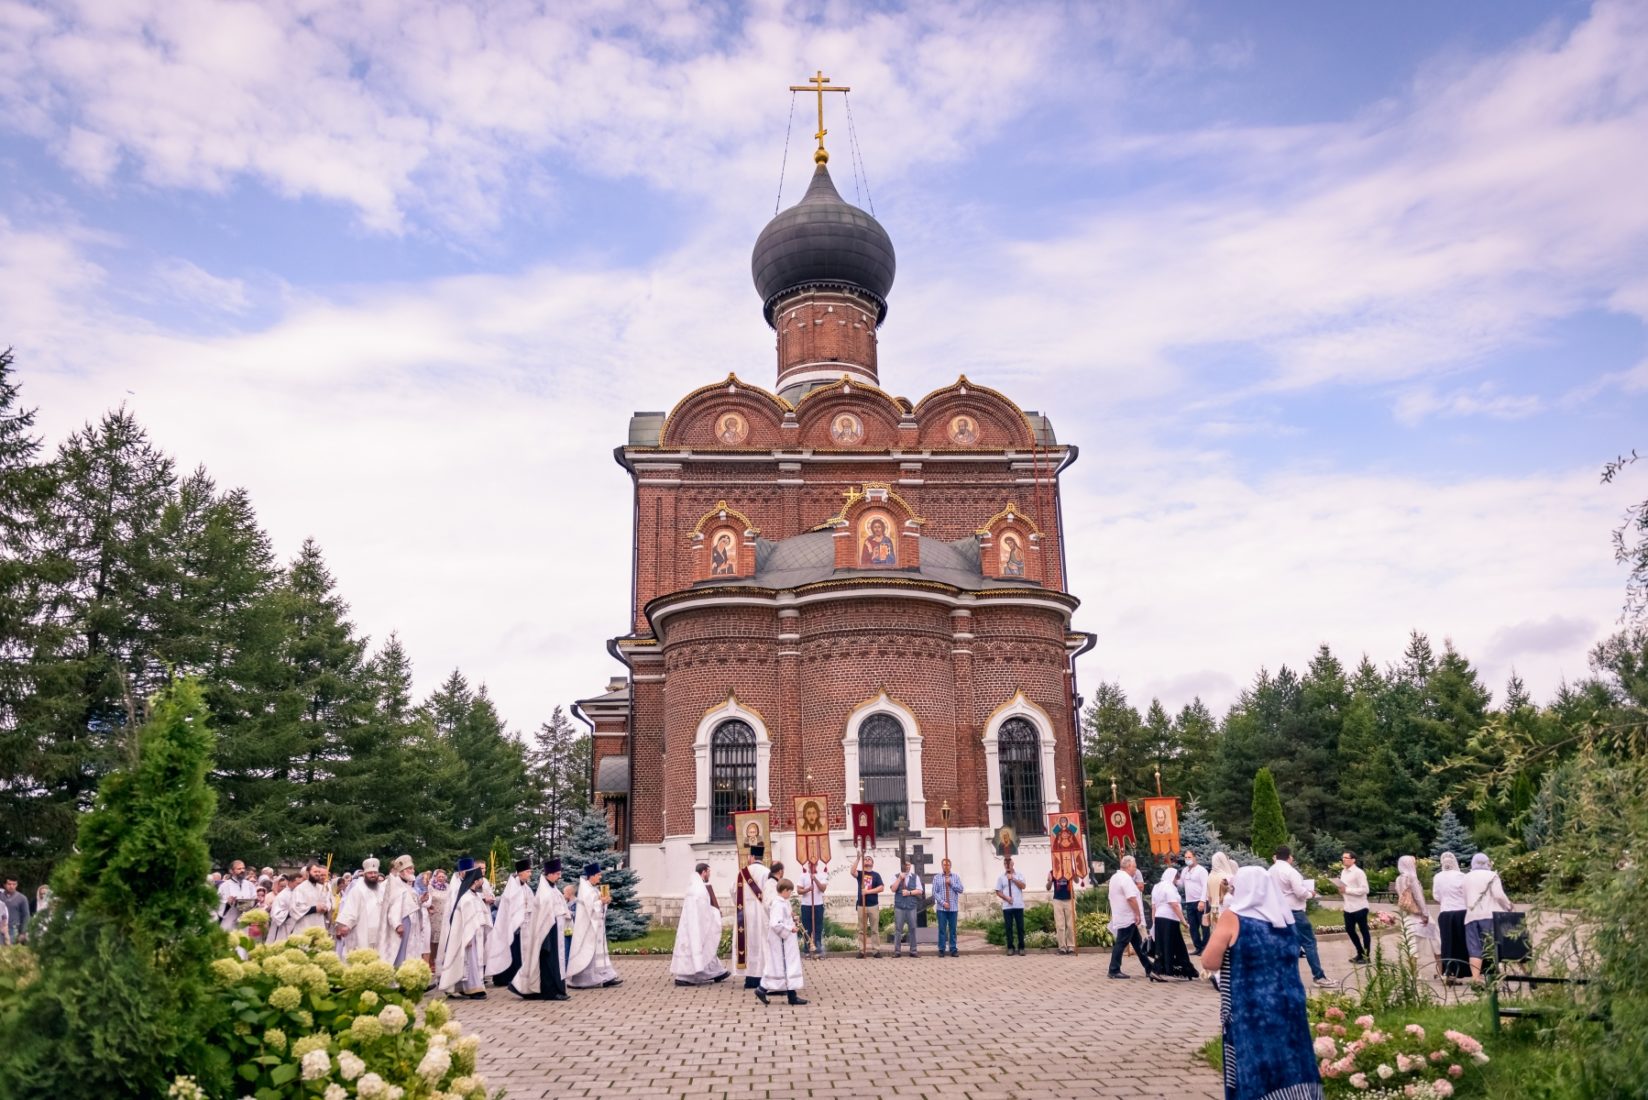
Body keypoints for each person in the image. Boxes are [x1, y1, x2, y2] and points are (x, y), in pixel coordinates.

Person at [1202, 866, 1323, 1100]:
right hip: (1290, 1004)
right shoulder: (1284, 919)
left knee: (1255, 1068)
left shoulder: (1234, 918)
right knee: (1293, 1062)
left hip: (1251, 1008)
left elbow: (1210, 961)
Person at [1269, 846, 1330, 986]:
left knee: (1287, 944)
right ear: (1289, 857)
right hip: (1295, 912)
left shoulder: (1270, 871)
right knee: (1309, 942)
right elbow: (1300, 892)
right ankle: (1318, 976)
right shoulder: (1291, 871)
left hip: (1278, 912)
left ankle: (1283, 976)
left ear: (1276, 856)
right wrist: (1311, 894)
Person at [512, 859, 571, 1001]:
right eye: (557, 873)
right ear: (549, 874)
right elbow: (545, 914)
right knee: (548, 962)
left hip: (555, 929)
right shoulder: (544, 892)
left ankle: (559, 989)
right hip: (547, 932)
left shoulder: (553, 889)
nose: (559, 876)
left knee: (556, 962)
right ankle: (550, 992)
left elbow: (560, 906)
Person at [438, 858, 490, 999]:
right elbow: (466, 920)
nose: (482, 882)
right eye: (480, 879)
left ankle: (469, 986)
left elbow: (482, 912)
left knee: (472, 961)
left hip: (476, 934)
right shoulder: (466, 898)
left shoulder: (474, 896)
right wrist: (467, 937)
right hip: (468, 935)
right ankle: (473, 988)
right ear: (475, 880)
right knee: (468, 962)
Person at [672, 862, 731, 986]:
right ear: (704, 872)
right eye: (709, 872)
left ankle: (717, 972)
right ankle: (685, 977)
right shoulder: (699, 890)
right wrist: (715, 913)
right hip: (697, 925)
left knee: (704, 948)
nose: (709, 874)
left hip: (690, 925)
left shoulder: (693, 886)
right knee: (701, 946)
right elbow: (704, 911)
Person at [567, 862, 622, 988]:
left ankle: (605, 976)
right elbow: (590, 907)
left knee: (599, 953)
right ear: (591, 876)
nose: (600, 877)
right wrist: (601, 902)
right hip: (588, 928)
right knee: (588, 953)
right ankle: (580, 980)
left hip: (596, 926)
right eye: (598, 875)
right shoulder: (585, 889)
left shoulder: (592, 888)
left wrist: (604, 902)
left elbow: (597, 904)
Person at [755, 878, 807, 1006]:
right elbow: (775, 924)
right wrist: (790, 928)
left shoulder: (784, 902)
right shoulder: (778, 904)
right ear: (784, 890)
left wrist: (793, 918)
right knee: (782, 967)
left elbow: (784, 918)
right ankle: (763, 989)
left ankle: (791, 996)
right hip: (781, 942)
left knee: (785, 967)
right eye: (789, 891)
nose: (790, 894)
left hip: (786, 942)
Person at [1464, 853, 1513, 980]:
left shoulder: (1466, 877)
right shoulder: (1492, 875)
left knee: (1475, 948)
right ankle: (1499, 974)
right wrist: (1508, 905)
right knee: (1495, 945)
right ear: (1487, 862)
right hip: (1490, 915)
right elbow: (1498, 895)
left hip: (1471, 916)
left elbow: (1463, 896)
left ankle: (1476, 978)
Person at [488, 858, 534, 987]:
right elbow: (509, 906)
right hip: (512, 926)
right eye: (528, 871)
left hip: (524, 925)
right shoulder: (512, 887)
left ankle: (517, 976)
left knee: (519, 953)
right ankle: (504, 977)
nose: (530, 874)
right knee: (511, 950)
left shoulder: (526, 888)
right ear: (520, 873)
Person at [1106, 856, 1153, 980]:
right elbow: (1131, 898)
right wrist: (1137, 914)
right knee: (1121, 942)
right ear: (1128, 866)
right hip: (1127, 916)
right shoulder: (1125, 879)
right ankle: (1114, 969)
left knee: (1137, 944)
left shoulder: (1115, 877)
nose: (1135, 869)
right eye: (1134, 866)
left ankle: (1149, 967)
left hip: (1121, 914)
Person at [1393, 855, 1439, 973]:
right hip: (1417, 914)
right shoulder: (1412, 878)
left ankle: (1413, 974)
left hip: (1407, 913)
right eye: (1413, 863)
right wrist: (1425, 913)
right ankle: (1442, 972)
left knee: (1411, 945)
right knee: (1436, 941)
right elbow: (1419, 897)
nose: (1415, 865)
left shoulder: (1399, 878)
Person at [333, 857, 387, 958]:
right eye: (370, 873)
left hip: (379, 932)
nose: (373, 875)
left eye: (375, 873)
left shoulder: (382, 890)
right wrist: (346, 925)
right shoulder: (357, 890)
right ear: (365, 874)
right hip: (362, 930)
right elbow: (350, 909)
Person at [1151, 867, 1197, 979]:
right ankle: (1180, 969)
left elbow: (1153, 906)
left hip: (1159, 918)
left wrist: (1154, 922)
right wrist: (1184, 921)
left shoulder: (1157, 887)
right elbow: (1174, 905)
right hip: (1169, 919)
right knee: (1176, 945)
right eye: (1177, 877)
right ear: (1173, 876)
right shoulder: (1169, 887)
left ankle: (1157, 969)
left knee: (1161, 945)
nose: (1178, 880)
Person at [1432, 852, 1471, 982]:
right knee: (1461, 942)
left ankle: (1448, 971)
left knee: (1447, 943)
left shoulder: (1437, 877)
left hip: (1445, 913)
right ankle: (1463, 969)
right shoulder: (1462, 876)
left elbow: (1436, 896)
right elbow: (1467, 893)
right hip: (1461, 911)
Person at [736, 845, 772, 985]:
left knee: (749, 944)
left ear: (751, 857)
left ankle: (750, 977)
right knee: (762, 943)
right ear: (762, 858)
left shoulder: (742, 873)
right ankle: (764, 974)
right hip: (762, 914)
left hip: (744, 916)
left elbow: (733, 891)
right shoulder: (767, 872)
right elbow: (770, 893)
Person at [380, 855, 423, 966]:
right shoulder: (395, 885)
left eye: (412, 868)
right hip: (402, 923)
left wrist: (421, 901)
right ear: (402, 871)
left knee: (412, 950)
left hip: (412, 924)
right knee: (401, 951)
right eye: (409, 869)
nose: (413, 871)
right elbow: (393, 906)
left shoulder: (409, 887)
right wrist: (397, 924)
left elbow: (411, 905)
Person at [1335, 851, 1371, 964]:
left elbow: (1365, 890)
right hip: (1348, 907)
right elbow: (1345, 887)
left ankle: (1366, 956)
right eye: (1342, 858)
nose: (1343, 860)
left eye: (1346, 858)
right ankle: (1359, 952)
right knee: (1350, 930)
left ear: (1353, 860)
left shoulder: (1359, 873)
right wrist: (1341, 890)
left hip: (1360, 907)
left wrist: (1348, 890)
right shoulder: (1343, 872)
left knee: (1364, 930)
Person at [851, 852, 884, 958]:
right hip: (862, 905)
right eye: (865, 859)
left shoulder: (876, 875)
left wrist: (867, 892)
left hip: (873, 905)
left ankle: (876, 951)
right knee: (862, 930)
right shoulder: (860, 874)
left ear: (872, 863)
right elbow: (852, 871)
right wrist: (858, 858)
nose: (867, 860)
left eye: (869, 859)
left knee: (874, 929)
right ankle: (862, 950)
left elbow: (881, 888)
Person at [286, 862, 332, 936]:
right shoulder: (300, 888)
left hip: (319, 923)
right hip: (305, 924)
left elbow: (327, 903)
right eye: (315, 872)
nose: (317, 874)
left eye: (319, 872)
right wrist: (314, 908)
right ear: (308, 873)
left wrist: (325, 908)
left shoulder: (322, 888)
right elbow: (295, 909)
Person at [891, 859, 924, 958]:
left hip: (911, 906)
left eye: (909, 864)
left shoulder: (915, 877)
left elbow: (920, 891)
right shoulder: (896, 876)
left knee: (913, 928)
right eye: (906, 865)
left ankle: (913, 951)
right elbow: (893, 889)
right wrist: (899, 879)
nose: (907, 866)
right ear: (902, 866)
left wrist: (909, 892)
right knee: (898, 929)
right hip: (899, 906)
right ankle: (897, 951)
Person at [797, 859, 828, 959]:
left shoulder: (822, 875)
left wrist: (814, 879)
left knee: (818, 928)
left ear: (817, 864)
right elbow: (798, 890)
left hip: (818, 905)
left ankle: (818, 950)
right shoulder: (803, 876)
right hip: (806, 905)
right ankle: (807, 951)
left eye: (814, 863)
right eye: (810, 863)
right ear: (808, 864)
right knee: (806, 929)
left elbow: (823, 888)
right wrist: (807, 889)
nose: (812, 865)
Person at [995, 856, 1027, 956]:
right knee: (1008, 928)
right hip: (1007, 906)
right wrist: (1006, 898)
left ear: (1013, 864)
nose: (1007, 865)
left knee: (1020, 927)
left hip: (1018, 905)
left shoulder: (1019, 875)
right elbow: (998, 891)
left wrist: (1013, 878)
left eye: (1009, 863)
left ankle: (1021, 947)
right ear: (1004, 865)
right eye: (1005, 864)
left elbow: (1023, 886)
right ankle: (1010, 947)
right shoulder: (1001, 877)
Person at [931, 858, 963, 958]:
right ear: (942, 866)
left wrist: (951, 883)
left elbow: (961, 889)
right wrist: (943, 902)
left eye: (948, 865)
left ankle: (953, 949)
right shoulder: (937, 877)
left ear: (950, 866)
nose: (946, 866)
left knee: (953, 929)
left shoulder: (956, 877)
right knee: (942, 929)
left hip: (953, 908)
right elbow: (934, 892)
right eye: (944, 865)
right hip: (942, 908)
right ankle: (941, 949)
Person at [1181, 850, 1211, 954]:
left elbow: (1205, 887)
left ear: (1194, 858)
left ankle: (1206, 948)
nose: (1187, 859)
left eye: (1189, 857)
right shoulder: (1185, 870)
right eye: (1185, 858)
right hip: (1189, 902)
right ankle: (1198, 947)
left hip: (1200, 901)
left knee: (1204, 926)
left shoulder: (1201, 870)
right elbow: (1181, 883)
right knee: (1193, 927)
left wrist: (1202, 901)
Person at [216, 861, 257, 934]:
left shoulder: (250, 885)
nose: (242, 870)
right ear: (231, 871)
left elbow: (254, 902)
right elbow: (218, 905)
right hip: (229, 922)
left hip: (244, 923)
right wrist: (227, 903)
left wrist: (254, 903)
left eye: (243, 868)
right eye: (239, 869)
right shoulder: (224, 886)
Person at [1046, 864, 1078, 955]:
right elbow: (1048, 888)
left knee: (1071, 925)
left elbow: (1077, 881)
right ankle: (1062, 948)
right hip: (1058, 900)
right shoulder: (1053, 871)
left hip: (1069, 898)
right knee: (1060, 925)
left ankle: (1071, 947)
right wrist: (1050, 880)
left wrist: (1074, 874)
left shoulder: (1069, 869)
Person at [426, 868, 451, 967]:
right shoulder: (430, 887)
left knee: (442, 939)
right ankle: (431, 962)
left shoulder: (448, 887)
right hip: (434, 916)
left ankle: (440, 961)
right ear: (435, 877)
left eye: (443, 876)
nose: (441, 878)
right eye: (439, 876)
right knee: (433, 940)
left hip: (444, 916)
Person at [1206, 852, 1238, 918]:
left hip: (1213, 909)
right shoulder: (1227, 876)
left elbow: (1209, 897)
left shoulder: (1209, 877)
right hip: (1226, 911)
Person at [2, 877, 30, 944]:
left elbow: (26, 916)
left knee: (10, 950)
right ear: (4, 885)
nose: (11, 886)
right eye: (9, 884)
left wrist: (23, 932)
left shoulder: (22, 898)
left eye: (14, 884)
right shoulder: (0, 896)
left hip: (13, 929)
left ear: (17, 885)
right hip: (1, 928)